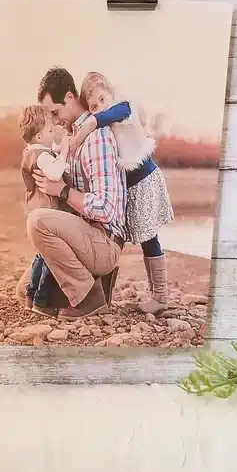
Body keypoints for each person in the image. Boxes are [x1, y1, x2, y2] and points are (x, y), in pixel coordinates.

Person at [21, 67, 127, 320]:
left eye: (55, 113)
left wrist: (63, 190)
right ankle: (93, 281)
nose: (54, 121)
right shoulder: (72, 139)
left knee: (37, 222)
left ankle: (90, 297)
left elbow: (106, 208)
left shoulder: (96, 137)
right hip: (82, 235)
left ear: (69, 97)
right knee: (22, 292)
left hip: (104, 241)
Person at [71, 72, 174, 314]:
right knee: (121, 237)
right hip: (131, 186)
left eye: (101, 100)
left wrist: (80, 134)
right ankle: (109, 289)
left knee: (150, 239)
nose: (98, 109)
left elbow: (99, 120)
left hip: (144, 181)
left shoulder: (123, 108)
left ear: (111, 92)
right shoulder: (108, 119)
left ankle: (160, 296)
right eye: (93, 106)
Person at [18, 105, 70, 315]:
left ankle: (31, 296)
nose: (53, 134)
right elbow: (55, 173)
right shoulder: (41, 156)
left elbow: (49, 154)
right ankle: (42, 301)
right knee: (50, 257)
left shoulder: (31, 152)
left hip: (35, 209)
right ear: (39, 136)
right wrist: (65, 152)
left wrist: (57, 148)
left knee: (41, 255)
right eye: (50, 131)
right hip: (47, 212)